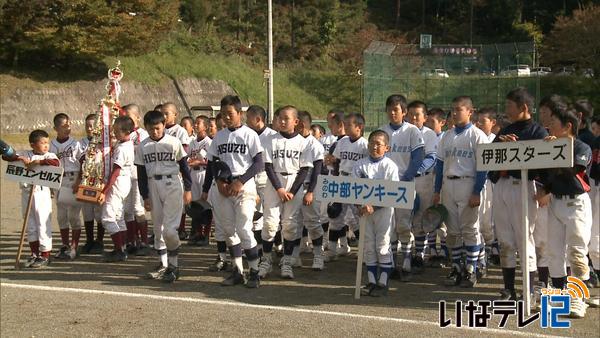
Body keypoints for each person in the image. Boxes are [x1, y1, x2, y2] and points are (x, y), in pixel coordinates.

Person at [488, 87, 548, 300]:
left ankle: (529, 289)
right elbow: (490, 160)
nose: (506, 110)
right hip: (502, 186)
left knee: (524, 238)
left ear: (523, 107)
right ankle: (509, 289)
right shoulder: (505, 130)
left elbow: (540, 166)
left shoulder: (537, 132)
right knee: (505, 240)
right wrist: (502, 148)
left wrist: (515, 150)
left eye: (509, 106)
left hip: (523, 187)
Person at [536, 107, 593, 318]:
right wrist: (544, 189)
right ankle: (560, 296)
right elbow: (547, 177)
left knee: (577, 252)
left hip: (576, 204)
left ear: (568, 126)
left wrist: (555, 151)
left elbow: (574, 171)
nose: (549, 125)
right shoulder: (550, 145)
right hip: (556, 203)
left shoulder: (581, 146)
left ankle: (578, 299)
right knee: (554, 253)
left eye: (553, 121)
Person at [204, 95, 264, 288]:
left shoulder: (249, 134)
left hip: (243, 185)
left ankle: (255, 272)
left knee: (244, 228)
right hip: (223, 186)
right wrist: (218, 182)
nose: (227, 117)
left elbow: (258, 163)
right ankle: (238, 271)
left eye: (230, 113)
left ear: (240, 113)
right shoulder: (219, 136)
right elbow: (212, 162)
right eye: (223, 114)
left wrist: (241, 181)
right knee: (229, 230)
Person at [433, 96, 487, 288]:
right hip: (448, 185)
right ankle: (456, 267)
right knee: (453, 231)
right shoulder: (446, 136)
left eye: (459, 109)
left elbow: (483, 167)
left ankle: (471, 269)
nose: (455, 113)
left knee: (470, 229)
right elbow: (439, 165)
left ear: (470, 112)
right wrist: (436, 190)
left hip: (468, 184)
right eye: (453, 110)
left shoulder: (478, 135)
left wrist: (476, 191)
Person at [136, 110, 192, 283]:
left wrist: (188, 189)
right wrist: (144, 195)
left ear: (164, 126)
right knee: (158, 227)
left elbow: (184, 166)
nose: (155, 132)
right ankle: (163, 265)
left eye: (158, 128)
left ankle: (174, 265)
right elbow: (141, 173)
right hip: (153, 184)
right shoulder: (142, 146)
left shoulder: (173, 142)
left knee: (169, 229)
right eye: (151, 129)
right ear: (146, 128)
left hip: (172, 183)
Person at [259, 106, 312, 279]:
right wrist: (280, 189)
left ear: (296, 122)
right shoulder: (270, 140)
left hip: (294, 182)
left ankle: (287, 261)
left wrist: (292, 191)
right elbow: (267, 166)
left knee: (290, 225)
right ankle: (266, 260)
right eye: (280, 118)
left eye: (286, 118)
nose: (282, 121)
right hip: (275, 183)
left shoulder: (303, 143)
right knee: (269, 223)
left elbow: (304, 169)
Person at [379, 95, 424, 280]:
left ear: (404, 112)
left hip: (405, 183)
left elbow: (418, 156)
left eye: (396, 109)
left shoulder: (412, 131)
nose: (392, 112)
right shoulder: (382, 131)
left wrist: (406, 178)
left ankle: (406, 262)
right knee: (389, 225)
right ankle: (391, 263)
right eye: (389, 108)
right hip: (386, 184)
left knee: (404, 224)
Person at [3, 130, 60, 268]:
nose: (46, 145)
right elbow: (6, 157)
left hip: (41, 192)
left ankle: (45, 254)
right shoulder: (26, 153)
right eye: (42, 143)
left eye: (47, 142)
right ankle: (34, 253)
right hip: (27, 192)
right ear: (33, 145)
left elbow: (56, 163)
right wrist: (19, 158)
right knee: (31, 224)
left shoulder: (49, 155)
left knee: (42, 223)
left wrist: (38, 162)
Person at [355, 130, 399, 297]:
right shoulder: (360, 165)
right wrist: (359, 205)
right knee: (368, 246)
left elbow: (393, 193)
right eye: (371, 143)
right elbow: (352, 188)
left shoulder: (390, 166)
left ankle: (383, 282)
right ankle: (372, 281)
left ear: (386, 147)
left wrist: (374, 206)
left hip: (384, 212)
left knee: (382, 245)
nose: (374, 146)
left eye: (378, 144)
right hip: (363, 211)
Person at [328, 113, 369, 261]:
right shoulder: (343, 141)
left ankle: (364, 252)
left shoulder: (365, 145)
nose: (345, 126)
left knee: (358, 219)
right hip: (342, 179)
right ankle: (332, 250)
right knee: (335, 216)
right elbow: (337, 161)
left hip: (356, 183)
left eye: (349, 124)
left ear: (359, 127)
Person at [98, 116, 135, 262]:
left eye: (117, 130)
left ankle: (119, 249)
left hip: (118, 183)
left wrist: (104, 191)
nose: (114, 133)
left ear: (126, 131)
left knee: (107, 218)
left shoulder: (123, 148)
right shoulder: (126, 144)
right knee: (119, 217)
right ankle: (122, 248)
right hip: (124, 182)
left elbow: (115, 172)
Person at [407, 100, 437, 273]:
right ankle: (405, 255)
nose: (413, 118)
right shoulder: (403, 132)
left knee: (420, 217)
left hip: (422, 180)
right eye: (410, 114)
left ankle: (419, 254)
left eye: (417, 115)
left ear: (424, 117)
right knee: (403, 218)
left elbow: (431, 158)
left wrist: (412, 171)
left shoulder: (429, 134)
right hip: (404, 180)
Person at [246, 105, 277, 261]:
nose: (246, 121)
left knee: (269, 215)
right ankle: (258, 248)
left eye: (248, 118)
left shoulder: (272, 136)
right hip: (250, 177)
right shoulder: (246, 134)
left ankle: (273, 247)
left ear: (258, 119)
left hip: (267, 177)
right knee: (253, 214)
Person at [50, 113, 83, 260]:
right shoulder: (51, 145)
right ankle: (64, 245)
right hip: (58, 180)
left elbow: (84, 163)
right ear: (55, 128)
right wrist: (50, 186)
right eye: (63, 126)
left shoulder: (76, 144)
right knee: (61, 216)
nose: (67, 128)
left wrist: (79, 181)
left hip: (73, 179)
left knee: (73, 216)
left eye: (68, 124)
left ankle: (74, 246)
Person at [296, 110, 326, 270]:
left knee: (313, 224)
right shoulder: (293, 141)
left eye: (299, 122)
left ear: (304, 123)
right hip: (294, 188)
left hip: (310, 187)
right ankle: (294, 257)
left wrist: (310, 192)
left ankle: (318, 256)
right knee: (294, 223)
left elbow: (317, 171)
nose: (297, 125)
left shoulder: (315, 144)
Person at [474, 107, 500, 271]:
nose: (479, 124)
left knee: (488, 223)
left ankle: (491, 250)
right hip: (476, 183)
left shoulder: (497, 140)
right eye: (477, 121)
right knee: (476, 222)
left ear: (493, 123)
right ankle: (479, 257)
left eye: (483, 121)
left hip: (492, 183)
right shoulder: (475, 138)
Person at [123, 104, 151, 256]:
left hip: (137, 175)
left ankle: (144, 241)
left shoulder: (142, 134)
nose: (127, 119)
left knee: (138, 209)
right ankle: (131, 241)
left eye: (130, 116)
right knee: (127, 210)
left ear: (137, 118)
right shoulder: (123, 133)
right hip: (125, 176)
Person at [79, 114, 105, 255]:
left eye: (93, 125)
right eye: (87, 126)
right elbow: (79, 160)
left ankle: (99, 241)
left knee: (99, 213)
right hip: (86, 181)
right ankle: (89, 240)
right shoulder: (81, 143)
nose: (90, 128)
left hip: (99, 181)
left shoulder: (104, 143)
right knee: (87, 212)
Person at [187, 115, 212, 246]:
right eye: (195, 123)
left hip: (204, 174)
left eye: (198, 123)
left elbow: (211, 162)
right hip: (193, 174)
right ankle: (198, 233)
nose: (195, 125)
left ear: (206, 126)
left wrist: (199, 162)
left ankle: (206, 235)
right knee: (195, 205)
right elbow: (189, 158)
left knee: (206, 205)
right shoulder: (192, 142)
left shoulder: (209, 142)